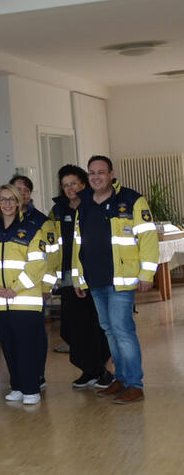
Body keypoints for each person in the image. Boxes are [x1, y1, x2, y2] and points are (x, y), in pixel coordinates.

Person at [72, 155, 156, 405]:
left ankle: (134, 384)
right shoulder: (84, 204)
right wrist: (78, 279)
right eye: (91, 173)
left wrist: (146, 274)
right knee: (110, 331)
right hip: (95, 278)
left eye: (101, 172)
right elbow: (78, 244)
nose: (96, 177)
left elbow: (148, 239)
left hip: (122, 279)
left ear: (111, 174)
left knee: (123, 331)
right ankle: (119, 378)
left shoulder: (131, 200)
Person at [44, 165, 113, 389]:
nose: (70, 188)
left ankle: (102, 370)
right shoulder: (57, 210)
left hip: (92, 274)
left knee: (96, 324)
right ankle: (87, 370)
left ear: (84, 184)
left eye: (74, 183)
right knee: (72, 327)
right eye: (65, 185)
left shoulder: (93, 206)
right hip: (67, 277)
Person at [0, 184, 47, 404]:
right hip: (0, 301)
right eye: (3, 199)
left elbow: (37, 265)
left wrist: (15, 288)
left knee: (26, 346)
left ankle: (31, 389)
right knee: (8, 347)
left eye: (12, 199)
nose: (7, 204)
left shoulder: (32, 230)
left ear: (18, 203)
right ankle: (16, 386)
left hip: (24, 300)